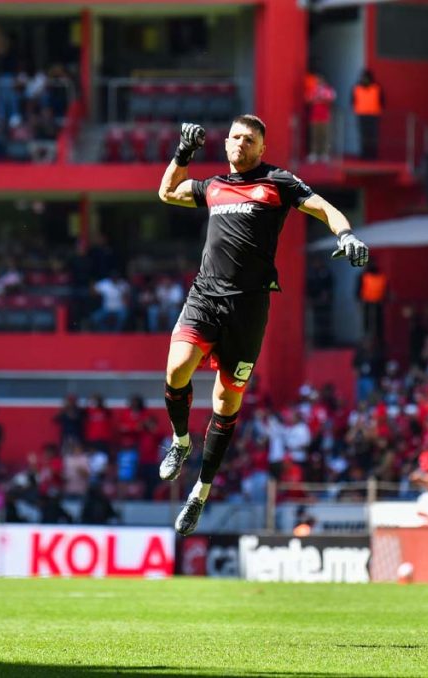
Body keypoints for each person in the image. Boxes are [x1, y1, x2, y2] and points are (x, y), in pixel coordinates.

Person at [156, 115, 369, 535]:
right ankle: (180, 442)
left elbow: (324, 207)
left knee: (225, 404)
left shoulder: (278, 182)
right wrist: (183, 151)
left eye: (248, 139)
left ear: (261, 148)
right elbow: (166, 192)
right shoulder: (213, 185)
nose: (238, 143)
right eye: (234, 136)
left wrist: (346, 235)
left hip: (249, 308)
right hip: (205, 297)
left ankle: (199, 492)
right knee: (176, 369)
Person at [351, 70, 383, 159]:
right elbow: (352, 101)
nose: (365, 80)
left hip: (374, 115)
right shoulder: (357, 88)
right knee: (363, 136)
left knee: (373, 136)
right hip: (361, 115)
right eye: (363, 78)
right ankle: (364, 154)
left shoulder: (377, 88)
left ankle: (373, 155)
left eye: (366, 78)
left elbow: (382, 101)